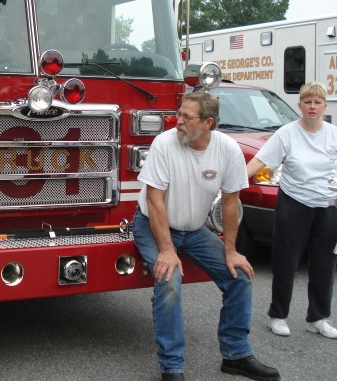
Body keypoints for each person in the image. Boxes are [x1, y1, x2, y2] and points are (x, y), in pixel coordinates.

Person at [132, 91, 280, 381]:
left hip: (194, 230)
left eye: (187, 117)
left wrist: (231, 250)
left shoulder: (228, 149)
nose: (178, 121)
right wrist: (166, 250)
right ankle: (172, 367)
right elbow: (155, 200)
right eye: (179, 113)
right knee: (169, 280)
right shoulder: (164, 143)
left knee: (240, 275)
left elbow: (229, 203)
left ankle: (236, 355)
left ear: (208, 122)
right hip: (153, 226)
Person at [246, 81, 337, 339]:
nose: (312, 107)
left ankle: (318, 317)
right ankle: (278, 315)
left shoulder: (333, 133)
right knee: (286, 261)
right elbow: (260, 161)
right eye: (307, 102)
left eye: (317, 102)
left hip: (328, 207)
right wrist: (235, 180)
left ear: (324, 106)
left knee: (324, 263)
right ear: (299, 106)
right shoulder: (287, 133)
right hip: (294, 203)